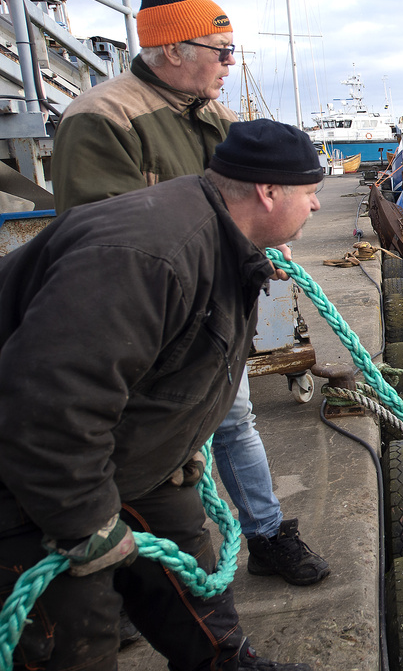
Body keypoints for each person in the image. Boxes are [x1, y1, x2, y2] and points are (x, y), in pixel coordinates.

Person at [0, 120, 321, 670]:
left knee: (194, 591)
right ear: (268, 193)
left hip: (130, 453)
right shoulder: (153, 256)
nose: (318, 207)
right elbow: (46, 399)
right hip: (36, 475)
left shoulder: (226, 241)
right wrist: (86, 522)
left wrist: (182, 443)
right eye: (311, 193)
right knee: (74, 637)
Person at [51, 0, 329, 589]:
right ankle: (125, 574)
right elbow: (97, 240)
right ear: (173, 50)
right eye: (220, 50)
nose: (232, 64)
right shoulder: (101, 118)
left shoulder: (216, 115)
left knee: (235, 423)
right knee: (138, 451)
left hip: (220, 308)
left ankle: (266, 534)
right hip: (151, 327)